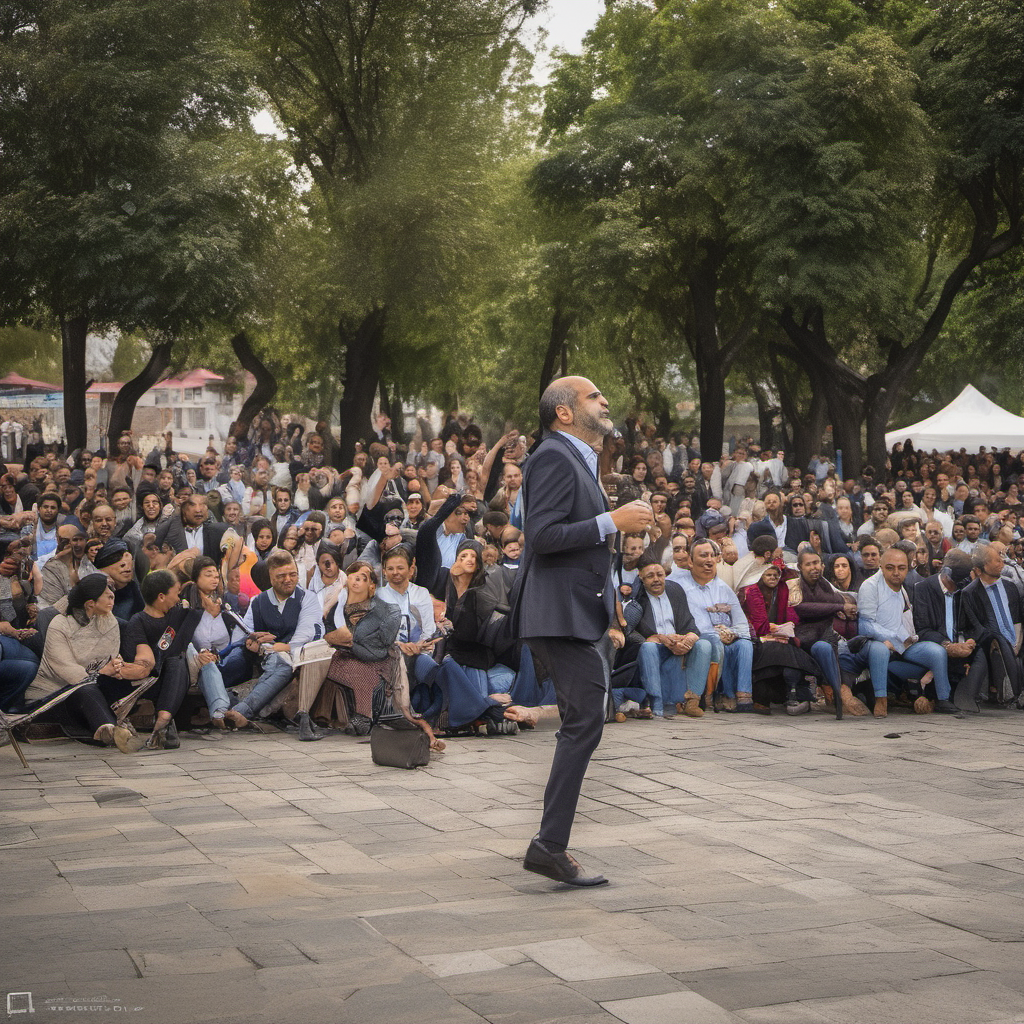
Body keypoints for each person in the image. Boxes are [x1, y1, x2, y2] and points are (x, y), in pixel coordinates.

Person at [510, 376, 653, 887]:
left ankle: (549, 844)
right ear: (564, 412)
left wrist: (609, 588)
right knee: (587, 716)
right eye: (593, 395)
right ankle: (548, 846)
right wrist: (612, 520)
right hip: (557, 612)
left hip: (575, 608)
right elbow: (542, 535)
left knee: (586, 715)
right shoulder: (553, 455)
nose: (605, 400)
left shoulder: (577, 457)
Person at [25, 574, 143, 753]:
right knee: (85, 689)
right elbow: (66, 669)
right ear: (90, 604)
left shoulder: (109, 620)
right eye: (107, 595)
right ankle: (111, 730)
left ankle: (111, 728)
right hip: (56, 695)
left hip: (92, 686)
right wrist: (101, 672)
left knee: (127, 681)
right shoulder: (60, 625)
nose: (112, 597)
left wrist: (116, 667)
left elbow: (109, 658)